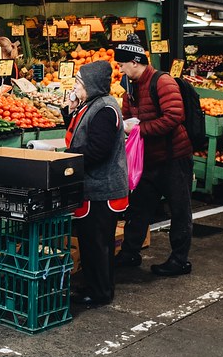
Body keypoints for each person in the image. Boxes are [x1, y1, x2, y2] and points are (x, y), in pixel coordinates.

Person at [114, 34, 194, 277]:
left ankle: (179, 260)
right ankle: (130, 252)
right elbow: (128, 115)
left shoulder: (163, 82)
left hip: (174, 158)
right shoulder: (129, 86)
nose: (119, 68)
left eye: (122, 64)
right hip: (147, 159)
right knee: (138, 208)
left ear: (135, 62)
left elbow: (174, 117)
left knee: (179, 209)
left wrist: (140, 129)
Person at [64, 61, 129, 307]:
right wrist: (69, 109)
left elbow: (98, 150)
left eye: (79, 83)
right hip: (92, 187)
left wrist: (68, 159)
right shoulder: (91, 104)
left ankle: (101, 293)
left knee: (98, 243)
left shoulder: (104, 109)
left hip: (102, 189)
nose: (75, 86)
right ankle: (94, 286)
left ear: (91, 85)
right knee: (91, 242)